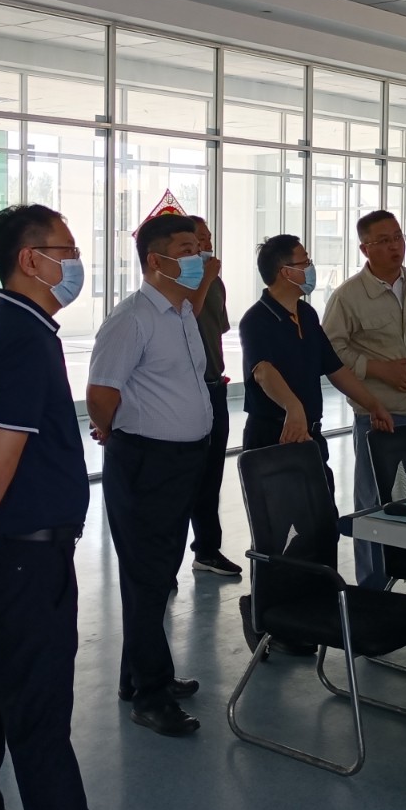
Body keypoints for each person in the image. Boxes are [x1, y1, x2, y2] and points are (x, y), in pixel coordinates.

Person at [0, 203, 126, 810]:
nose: (75, 262)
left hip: (5, 550)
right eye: (65, 250)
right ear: (30, 259)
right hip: (24, 557)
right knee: (38, 721)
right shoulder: (23, 338)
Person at [87, 213, 213, 738]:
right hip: (146, 461)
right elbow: (101, 393)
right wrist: (117, 433)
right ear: (156, 260)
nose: (199, 257)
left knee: (157, 574)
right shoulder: (133, 317)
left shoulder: (182, 311)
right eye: (187, 249)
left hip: (181, 461)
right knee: (147, 576)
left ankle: (135, 673)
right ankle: (150, 694)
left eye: (199, 247)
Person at [322, 210, 406, 591]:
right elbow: (331, 350)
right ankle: (372, 590)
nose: (395, 246)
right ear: (365, 249)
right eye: (383, 241)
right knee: (373, 505)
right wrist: (378, 369)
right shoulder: (348, 297)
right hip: (378, 417)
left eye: (398, 237)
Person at [238, 234, 396, 483]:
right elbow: (263, 371)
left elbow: (335, 368)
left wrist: (373, 405)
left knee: (322, 504)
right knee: (281, 507)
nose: (311, 267)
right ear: (286, 272)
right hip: (275, 435)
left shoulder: (307, 314)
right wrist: (293, 407)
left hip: (310, 434)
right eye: (305, 262)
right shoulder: (256, 319)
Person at [185, 216, 239, 578]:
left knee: (211, 474)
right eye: (198, 240)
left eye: (208, 238)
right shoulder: (180, 282)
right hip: (186, 390)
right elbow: (188, 315)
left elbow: (217, 330)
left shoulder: (216, 281)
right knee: (184, 476)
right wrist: (205, 277)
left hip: (214, 385)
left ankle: (207, 549)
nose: (207, 245)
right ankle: (164, 564)